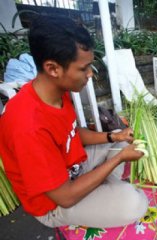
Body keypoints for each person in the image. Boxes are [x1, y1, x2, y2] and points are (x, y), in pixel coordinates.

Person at [0, 16, 148, 229]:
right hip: (54, 204)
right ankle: (103, 194)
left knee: (122, 142)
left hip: (73, 170)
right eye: (83, 68)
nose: (90, 75)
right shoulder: (27, 126)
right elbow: (65, 197)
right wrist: (119, 160)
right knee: (135, 203)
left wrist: (113, 136)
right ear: (53, 68)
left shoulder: (57, 92)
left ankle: (100, 192)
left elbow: (71, 133)